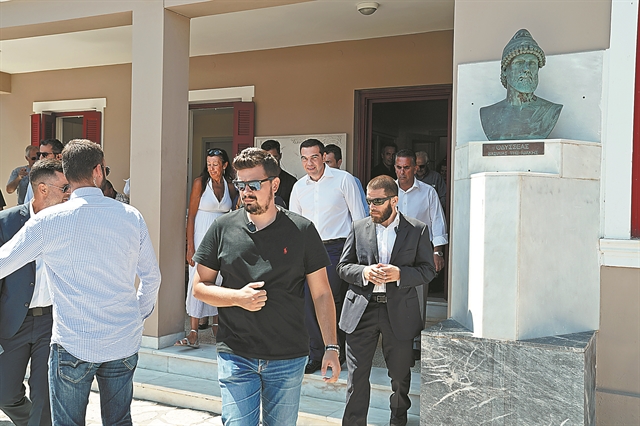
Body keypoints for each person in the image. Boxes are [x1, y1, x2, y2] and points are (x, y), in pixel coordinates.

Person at [0, 139, 162, 425]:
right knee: (119, 421)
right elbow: (152, 277)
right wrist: (137, 315)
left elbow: (3, 263)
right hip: (122, 340)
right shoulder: (130, 216)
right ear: (98, 170)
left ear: (67, 172)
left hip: (73, 342)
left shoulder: (48, 221)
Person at [192, 147, 340, 425]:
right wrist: (237, 297)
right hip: (236, 354)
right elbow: (200, 287)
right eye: (240, 184)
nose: (246, 191)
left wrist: (331, 346)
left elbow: (321, 293)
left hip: (288, 357)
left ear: (274, 184)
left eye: (254, 184)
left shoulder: (302, 230)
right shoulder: (222, 228)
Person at [337, 175, 436, 426]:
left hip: (399, 311)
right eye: (369, 201)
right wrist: (364, 272)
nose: (371, 206)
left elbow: (428, 270)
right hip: (362, 310)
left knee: (400, 376)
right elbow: (343, 267)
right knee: (357, 377)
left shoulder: (417, 229)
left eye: (378, 201)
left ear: (394, 200)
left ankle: (398, 419)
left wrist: (400, 274)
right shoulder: (358, 227)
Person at [0, 159, 70, 426]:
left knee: (45, 396)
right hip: (12, 322)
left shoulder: (68, 223)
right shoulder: (6, 223)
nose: (69, 193)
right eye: (64, 187)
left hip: (51, 323)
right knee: (5, 395)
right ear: (43, 189)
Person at [289, 139, 366, 374]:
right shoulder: (298, 187)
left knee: (332, 300)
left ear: (324, 157)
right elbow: (294, 225)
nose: (309, 163)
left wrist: (358, 255)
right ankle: (316, 353)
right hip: (307, 250)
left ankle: (337, 350)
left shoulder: (344, 180)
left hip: (337, 248)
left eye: (314, 157)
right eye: (304, 158)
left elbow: (360, 218)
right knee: (307, 301)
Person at [177, 148, 236, 347]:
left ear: (224, 165)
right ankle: (194, 331)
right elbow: (191, 216)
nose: (211, 168)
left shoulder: (229, 185)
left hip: (222, 238)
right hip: (201, 236)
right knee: (198, 279)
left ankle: (217, 326)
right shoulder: (200, 183)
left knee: (219, 279)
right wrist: (190, 247)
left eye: (215, 164)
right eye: (209, 164)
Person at [394, 149, 448, 333]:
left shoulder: (428, 192)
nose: (402, 172)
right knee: (393, 295)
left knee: (418, 297)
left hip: (420, 251)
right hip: (392, 250)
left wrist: (437, 251)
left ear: (415, 168)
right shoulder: (388, 191)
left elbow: (437, 222)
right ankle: (396, 336)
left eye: (406, 167)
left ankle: (416, 338)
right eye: (399, 167)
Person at [479, 29, 563, 141]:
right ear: (505, 70)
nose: (527, 69)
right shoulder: (489, 114)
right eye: (519, 63)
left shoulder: (550, 111)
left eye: (532, 63)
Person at [323, 144, 369, 215]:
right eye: (323, 163)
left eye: (328, 162)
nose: (325, 166)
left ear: (339, 163)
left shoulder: (352, 180)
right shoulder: (315, 181)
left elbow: (364, 210)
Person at [23, 139, 64, 204]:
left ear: (58, 156)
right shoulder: (36, 178)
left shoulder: (68, 178)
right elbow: (28, 203)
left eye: (45, 154)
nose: (41, 157)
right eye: (39, 154)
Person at [261, 139, 298, 207]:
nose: (271, 161)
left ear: (280, 156)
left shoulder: (292, 182)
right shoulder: (257, 181)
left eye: (275, 157)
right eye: (268, 158)